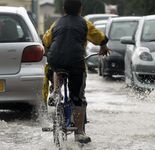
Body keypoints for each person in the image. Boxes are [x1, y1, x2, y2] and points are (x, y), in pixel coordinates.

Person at [42, 0, 111, 144]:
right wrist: (103, 45)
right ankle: (79, 132)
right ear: (80, 9)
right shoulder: (84, 23)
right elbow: (98, 36)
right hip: (75, 61)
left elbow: (46, 39)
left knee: (55, 66)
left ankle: (55, 91)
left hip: (55, 59)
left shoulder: (57, 23)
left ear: (63, 9)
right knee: (78, 97)